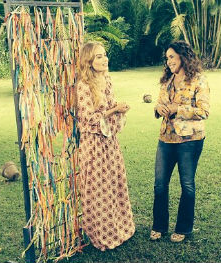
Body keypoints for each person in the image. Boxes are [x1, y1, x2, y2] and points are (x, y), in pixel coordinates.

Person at [75, 41, 135, 251]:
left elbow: (109, 107)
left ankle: (119, 228)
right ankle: (101, 236)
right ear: (89, 61)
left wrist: (119, 109)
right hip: (93, 144)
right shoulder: (83, 86)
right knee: (98, 189)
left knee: (114, 184)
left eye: (104, 55)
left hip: (109, 141)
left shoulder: (106, 80)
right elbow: (88, 118)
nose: (104, 59)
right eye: (99, 56)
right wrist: (112, 111)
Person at [150, 41, 210, 243]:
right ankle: (159, 226)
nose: (168, 62)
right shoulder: (167, 80)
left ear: (183, 57)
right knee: (160, 185)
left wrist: (178, 109)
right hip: (166, 138)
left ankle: (183, 228)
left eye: (172, 57)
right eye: (167, 58)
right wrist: (160, 109)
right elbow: (159, 104)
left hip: (189, 141)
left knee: (187, 185)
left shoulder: (198, 81)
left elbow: (204, 111)